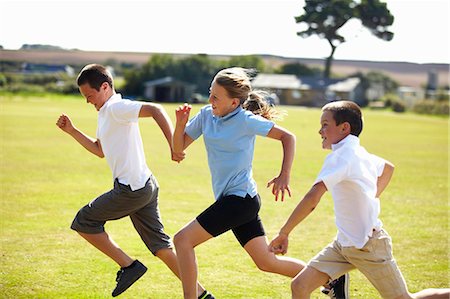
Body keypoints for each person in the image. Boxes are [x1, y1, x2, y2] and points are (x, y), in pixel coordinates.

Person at [171, 67, 347, 299]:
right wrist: (181, 124)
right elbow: (177, 150)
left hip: (239, 200)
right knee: (267, 262)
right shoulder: (206, 115)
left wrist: (284, 174)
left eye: (216, 96)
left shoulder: (245, 120)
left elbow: (288, 137)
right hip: (237, 200)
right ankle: (331, 277)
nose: (210, 99)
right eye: (210, 93)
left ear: (234, 103)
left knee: (182, 240)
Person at [56, 64, 214, 298]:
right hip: (145, 185)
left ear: (105, 87)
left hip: (131, 190)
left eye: (90, 95)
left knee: (83, 221)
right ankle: (202, 295)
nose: (88, 101)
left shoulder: (116, 107)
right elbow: (100, 150)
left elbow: (156, 109)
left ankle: (129, 266)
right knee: (161, 247)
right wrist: (72, 130)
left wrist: (174, 144)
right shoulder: (106, 111)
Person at [269, 100, 450, 299]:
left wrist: (284, 232)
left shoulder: (342, 157)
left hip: (368, 246)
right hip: (343, 245)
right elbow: (388, 167)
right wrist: (369, 197)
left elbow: (313, 197)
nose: (320, 131)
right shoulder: (357, 152)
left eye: (325, 125)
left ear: (344, 127)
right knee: (300, 286)